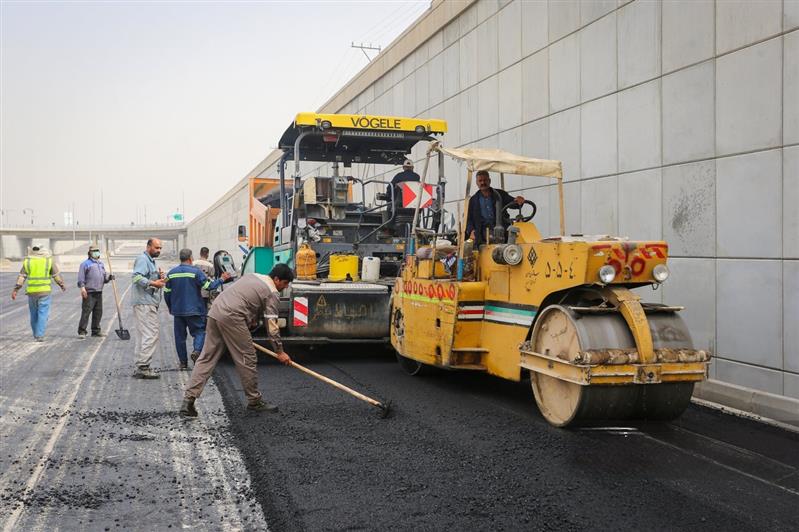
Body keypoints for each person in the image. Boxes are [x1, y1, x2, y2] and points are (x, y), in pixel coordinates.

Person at [180, 264, 294, 418]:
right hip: (232, 316)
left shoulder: (252, 276)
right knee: (247, 357)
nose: (284, 287)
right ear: (276, 279)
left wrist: (252, 319)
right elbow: (272, 326)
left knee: (207, 358)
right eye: (285, 283)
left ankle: (188, 401)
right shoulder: (272, 292)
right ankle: (254, 401)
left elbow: (244, 299)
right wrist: (279, 351)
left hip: (215, 311)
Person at [164, 248, 230, 370]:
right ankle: (197, 351)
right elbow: (208, 286)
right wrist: (221, 279)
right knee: (199, 332)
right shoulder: (196, 272)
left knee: (180, 338)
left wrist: (170, 307)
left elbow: (167, 293)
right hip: (195, 309)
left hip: (178, 311)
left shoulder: (171, 273)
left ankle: (183, 363)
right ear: (190, 258)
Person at [10, 246, 66, 342]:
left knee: (33, 314)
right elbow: (56, 276)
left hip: (31, 293)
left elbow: (21, 277)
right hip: (44, 292)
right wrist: (62, 285)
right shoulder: (49, 261)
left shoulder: (27, 262)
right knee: (43, 313)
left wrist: (15, 290)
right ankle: (39, 335)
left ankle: (36, 333)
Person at [131, 238, 166, 379]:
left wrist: (159, 277)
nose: (158, 251)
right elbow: (136, 277)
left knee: (143, 334)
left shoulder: (150, 261)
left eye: (160, 248)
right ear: (148, 246)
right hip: (145, 303)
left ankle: (141, 364)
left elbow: (146, 276)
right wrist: (153, 283)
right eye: (156, 248)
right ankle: (143, 366)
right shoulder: (142, 259)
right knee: (151, 333)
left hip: (145, 302)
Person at [465, 170, 525, 246]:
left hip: (502, 229)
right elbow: (469, 219)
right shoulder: (473, 200)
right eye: (480, 181)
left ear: (489, 181)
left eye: (485, 180)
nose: (483, 183)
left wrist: (519, 200)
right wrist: (471, 231)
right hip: (483, 233)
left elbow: (513, 203)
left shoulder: (500, 194)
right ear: (477, 183)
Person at [76, 245, 114, 339]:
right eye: (94, 251)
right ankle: (82, 331)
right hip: (89, 292)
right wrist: (82, 288)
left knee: (98, 312)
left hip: (99, 291)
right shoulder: (85, 264)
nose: (96, 252)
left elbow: (104, 279)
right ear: (90, 253)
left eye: (97, 251)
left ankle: (96, 331)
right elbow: (81, 278)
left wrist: (109, 278)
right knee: (86, 312)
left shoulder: (100, 264)